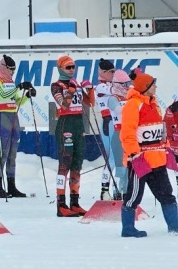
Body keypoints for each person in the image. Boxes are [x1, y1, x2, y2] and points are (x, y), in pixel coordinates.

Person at [119, 70, 178, 237]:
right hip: (140, 159)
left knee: (167, 194)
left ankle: (175, 227)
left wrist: (166, 149)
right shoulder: (132, 104)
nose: (156, 87)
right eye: (153, 84)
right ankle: (128, 229)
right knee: (134, 196)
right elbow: (127, 133)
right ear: (146, 87)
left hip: (157, 158)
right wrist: (134, 153)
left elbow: (160, 130)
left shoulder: (154, 104)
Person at [50, 55, 93, 217]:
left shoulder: (75, 83)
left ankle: (75, 202)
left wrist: (90, 90)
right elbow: (64, 104)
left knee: (77, 163)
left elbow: (90, 103)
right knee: (65, 164)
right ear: (61, 68)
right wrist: (70, 93)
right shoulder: (56, 85)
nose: (72, 70)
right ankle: (61, 203)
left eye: (73, 67)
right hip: (65, 124)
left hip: (78, 124)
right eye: (68, 67)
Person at [0, 55, 34, 198]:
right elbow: (2, 95)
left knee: (12, 155)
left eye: (14, 70)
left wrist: (27, 95)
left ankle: (11, 185)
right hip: (2, 117)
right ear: (4, 68)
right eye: (10, 69)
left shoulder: (11, 82)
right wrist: (19, 86)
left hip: (13, 116)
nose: (13, 72)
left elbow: (16, 101)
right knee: (3, 153)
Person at [94, 59, 117, 200]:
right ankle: (104, 190)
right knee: (112, 159)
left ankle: (117, 190)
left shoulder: (111, 84)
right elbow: (116, 90)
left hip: (117, 123)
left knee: (120, 159)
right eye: (112, 72)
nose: (114, 74)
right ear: (103, 72)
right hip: (108, 123)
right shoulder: (101, 87)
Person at [107, 69, 131, 200]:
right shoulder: (113, 98)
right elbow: (119, 110)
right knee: (121, 167)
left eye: (128, 83)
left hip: (130, 134)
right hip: (119, 134)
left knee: (130, 167)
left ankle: (127, 192)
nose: (127, 87)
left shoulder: (130, 96)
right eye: (124, 84)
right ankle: (116, 191)